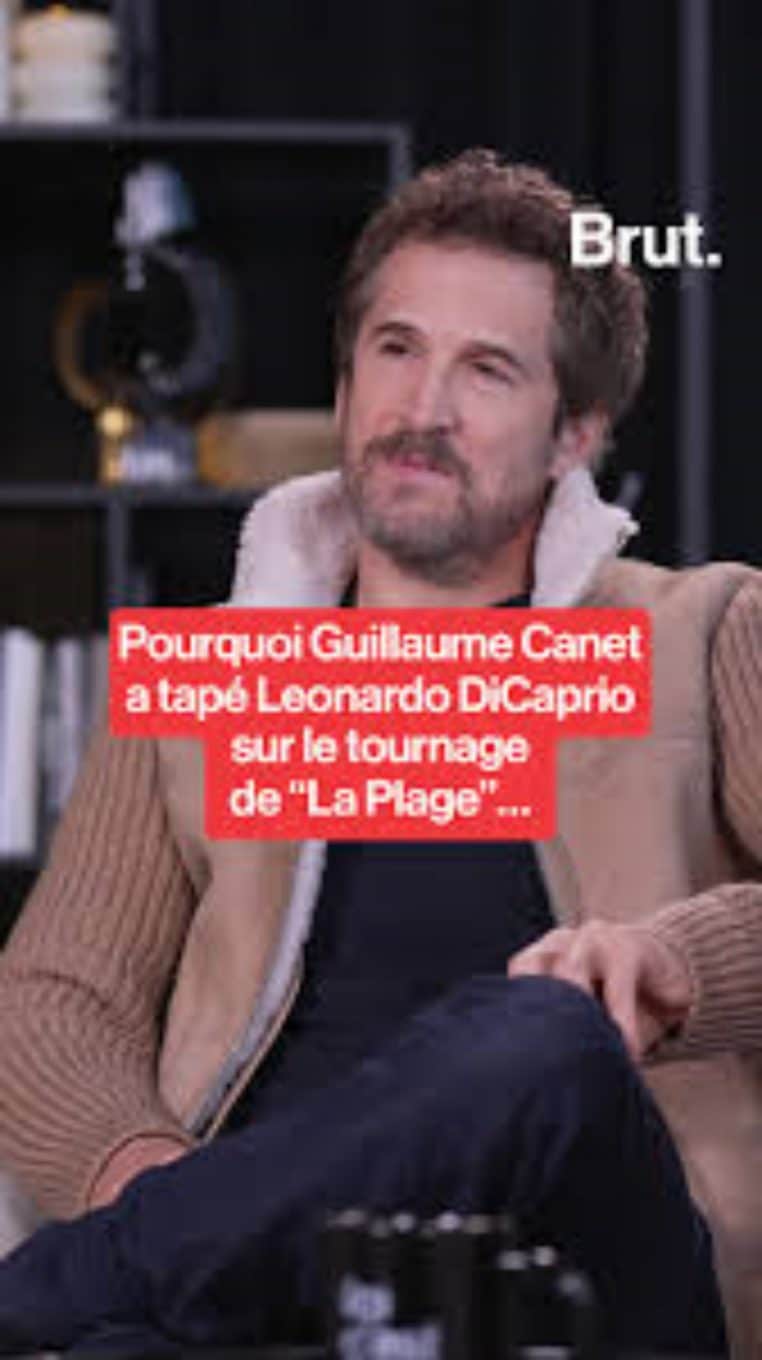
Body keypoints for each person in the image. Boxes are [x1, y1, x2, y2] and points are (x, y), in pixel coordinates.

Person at [0, 149, 759, 1355]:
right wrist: (144, 1177)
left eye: (487, 370)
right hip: (254, 1294)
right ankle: (147, 1261)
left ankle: (80, 1280)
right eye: (395, 350)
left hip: (583, 1277)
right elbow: (54, 994)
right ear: (347, 382)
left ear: (575, 432)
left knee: (544, 1030)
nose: (422, 410)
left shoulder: (703, 629)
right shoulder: (220, 677)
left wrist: (675, 962)